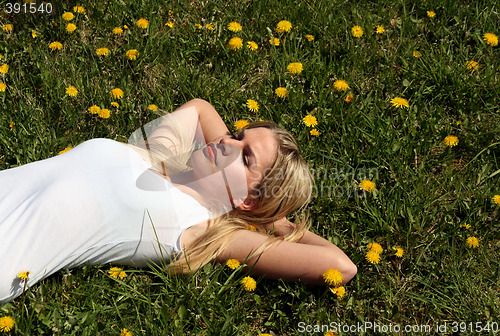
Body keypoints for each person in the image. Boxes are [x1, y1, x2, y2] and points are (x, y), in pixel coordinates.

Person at [0, 99, 356, 304]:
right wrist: (234, 161)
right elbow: (201, 108)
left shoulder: (198, 229)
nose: (227, 144)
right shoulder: (160, 156)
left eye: (245, 157)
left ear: (251, 199)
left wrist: (268, 218)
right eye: (236, 136)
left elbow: (341, 266)